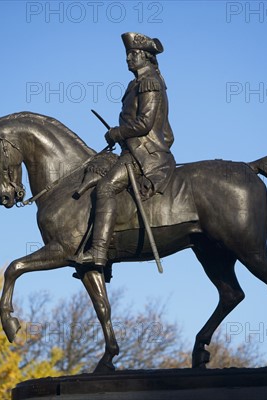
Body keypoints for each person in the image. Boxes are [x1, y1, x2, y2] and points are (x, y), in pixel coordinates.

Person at [74, 32, 176, 267]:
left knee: (106, 187)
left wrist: (117, 133)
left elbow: (145, 123)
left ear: (144, 56)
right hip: (136, 150)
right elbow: (164, 130)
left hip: (144, 155)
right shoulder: (138, 83)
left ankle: (99, 252)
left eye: (132, 54)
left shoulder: (149, 81)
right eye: (127, 54)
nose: (128, 59)